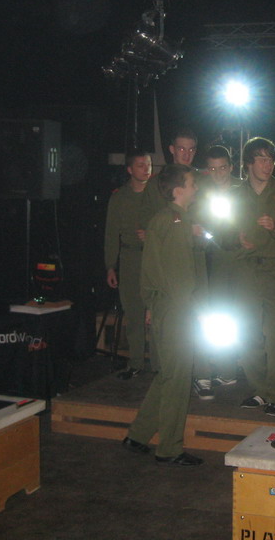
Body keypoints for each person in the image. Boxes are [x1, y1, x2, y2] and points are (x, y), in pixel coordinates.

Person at [122, 164, 206, 467]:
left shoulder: (168, 220)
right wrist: (188, 309)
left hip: (168, 305)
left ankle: (138, 435)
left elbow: (155, 268)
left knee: (169, 374)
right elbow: (176, 275)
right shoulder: (174, 221)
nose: (196, 188)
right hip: (176, 307)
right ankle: (169, 448)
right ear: (178, 190)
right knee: (177, 379)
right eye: (192, 184)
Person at [229, 138, 275, 416]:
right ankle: (259, 390)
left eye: (271, 159)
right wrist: (236, 239)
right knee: (247, 332)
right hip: (246, 268)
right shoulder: (235, 194)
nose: (268, 165)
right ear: (248, 163)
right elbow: (221, 229)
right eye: (262, 159)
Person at [194, 144, 242, 392]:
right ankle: (212, 370)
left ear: (231, 167)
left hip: (236, 261)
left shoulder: (242, 190)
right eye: (212, 169)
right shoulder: (200, 191)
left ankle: (229, 369)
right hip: (207, 260)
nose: (218, 174)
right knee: (211, 316)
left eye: (222, 168)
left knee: (233, 317)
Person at [104, 151, 156, 379]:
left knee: (157, 313)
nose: (146, 169)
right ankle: (135, 362)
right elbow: (111, 233)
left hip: (154, 258)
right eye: (140, 165)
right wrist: (110, 265)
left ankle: (159, 365)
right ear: (129, 169)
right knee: (134, 313)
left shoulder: (157, 194)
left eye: (148, 164)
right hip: (130, 258)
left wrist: (152, 235)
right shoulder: (120, 198)